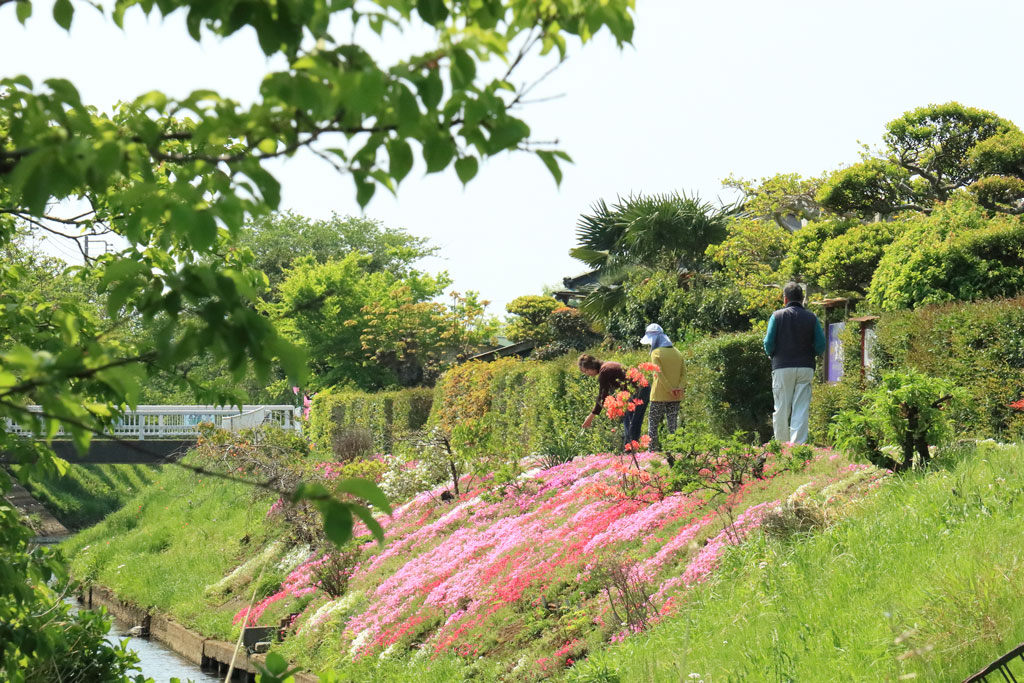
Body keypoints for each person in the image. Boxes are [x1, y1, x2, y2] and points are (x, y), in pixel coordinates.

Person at [762, 282, 827, 444]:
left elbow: (768, 342)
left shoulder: (777, 316)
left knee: (782, 407)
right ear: (802, 299)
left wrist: (771, 354)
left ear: (785, 299)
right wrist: (812, 353)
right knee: (801, 407)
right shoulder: (811, 317)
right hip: (805, 366)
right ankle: (798, 446)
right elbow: (821, 344)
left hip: (782, 366)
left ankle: (782, 445)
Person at [640, 323, 685, 450]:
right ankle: (675, 449)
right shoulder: (677, 353)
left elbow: (659, 374)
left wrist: (669, 388)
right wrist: (678, 388)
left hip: (659, 395)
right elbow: (683, 374)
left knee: (653, 424)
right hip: (676, 395)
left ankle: (652, 450)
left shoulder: (656, 353)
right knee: (673, 424)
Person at [578, 354, 633, 446]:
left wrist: (590, 417)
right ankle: (631, 449)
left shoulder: (605, 371)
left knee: (631, 425)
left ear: (591, 366)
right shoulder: (606, 367)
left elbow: (602, 396)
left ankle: (631, 450)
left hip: (638, 392)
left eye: (586, 371)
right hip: (636, 393)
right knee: (630, 424)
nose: (587, 374)